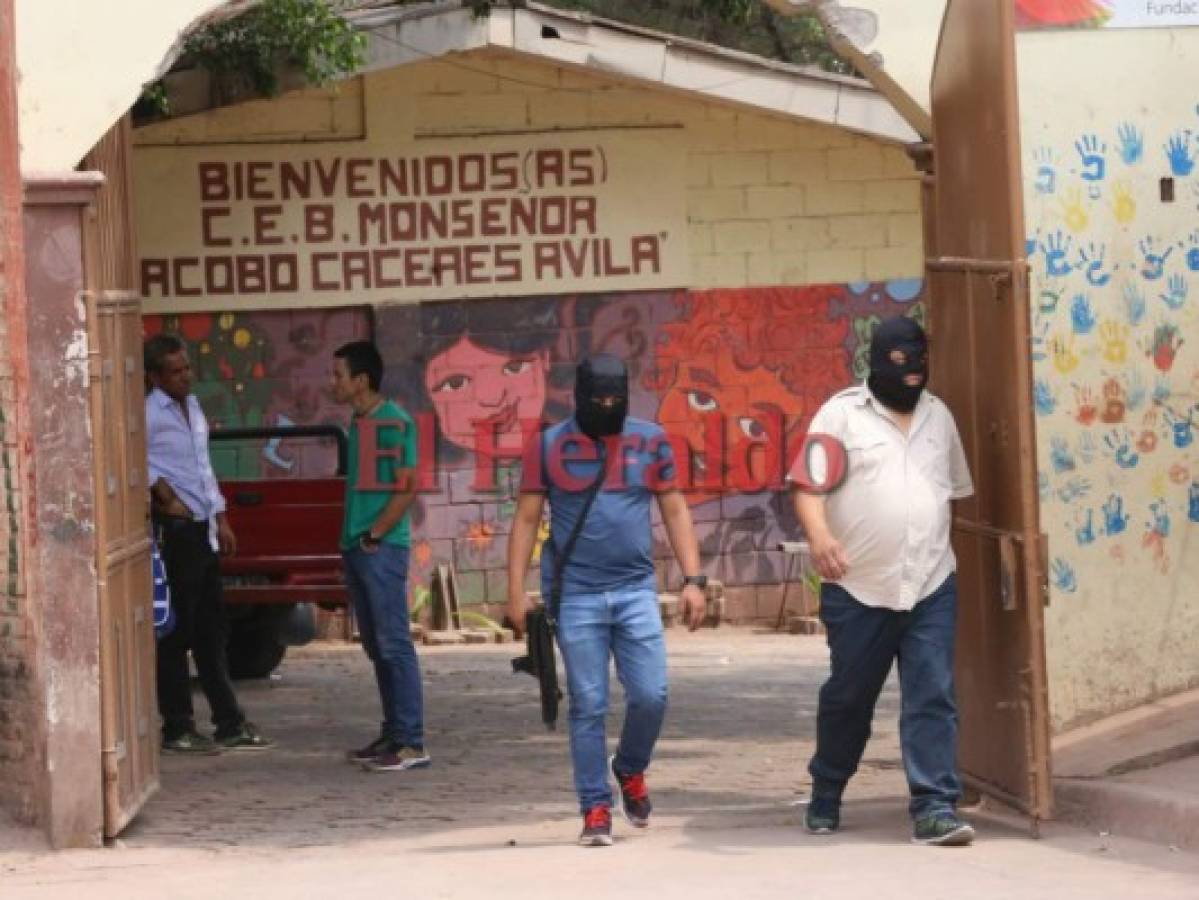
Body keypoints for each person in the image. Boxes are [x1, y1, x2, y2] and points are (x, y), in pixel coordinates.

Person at [789, 316, 977, 847]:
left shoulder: (939, 418)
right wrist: (821, 536)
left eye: (919, 364)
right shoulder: (841, 415)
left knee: (933, 694)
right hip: (858, 589)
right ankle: (827, 788)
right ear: (878, 360)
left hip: (930, 583)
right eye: (900, 363)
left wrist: (930, 547)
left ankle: (934, 806)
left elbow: (952, 496)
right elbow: (806, 487)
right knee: (850, 697)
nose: (911, 375)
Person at [507, 354, 708, 847]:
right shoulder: (549, 446)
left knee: (651, 695)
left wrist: (694, 579)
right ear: (579, 397)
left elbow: (675, 508)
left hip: (636, 589)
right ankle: (594, 806)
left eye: (615, 400)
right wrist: (515, 591)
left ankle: (630, 768)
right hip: (577, 596)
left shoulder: (650, 439)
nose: (607, 407)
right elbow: (528, 519)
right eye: (597, 400)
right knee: (589, 703)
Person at [144, 334, 273, 753]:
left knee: (211, 631)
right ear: (155, 376)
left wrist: (222, 518)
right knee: (175, 632)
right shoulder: (147, 413)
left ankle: (228, 722)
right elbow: (133, 459)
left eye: (187, 369)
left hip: (204, 529)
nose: (185, 377)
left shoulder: (193, 408)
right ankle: (178, 725)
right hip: (176, 531)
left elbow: (204, 468)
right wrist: (164, 496)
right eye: (175, 371)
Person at [332, 340, 430, 772]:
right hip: (359, 545)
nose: (332, 383)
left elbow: (407, 488)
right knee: (377, 645)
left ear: (361, 380)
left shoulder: (396, 423)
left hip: (380, 548)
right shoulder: (360, 421)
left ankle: (411, 741)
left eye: (338, 375)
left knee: (394, 643)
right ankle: (393, 733)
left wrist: (375, 534)